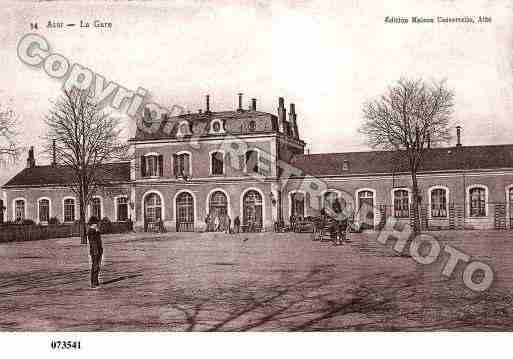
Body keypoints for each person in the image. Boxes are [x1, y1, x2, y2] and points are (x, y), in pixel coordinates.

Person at [87, 220, 103, 289]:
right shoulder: (91, 231)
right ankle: (93, 282)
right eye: (95, 224)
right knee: (95, 266)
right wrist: (96, 232)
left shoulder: (95, 231)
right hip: (95, 251)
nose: (97, 225)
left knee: (97, 266)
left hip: (98, 251)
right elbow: (93, 241)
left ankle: (96, 281)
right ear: (93, 224)